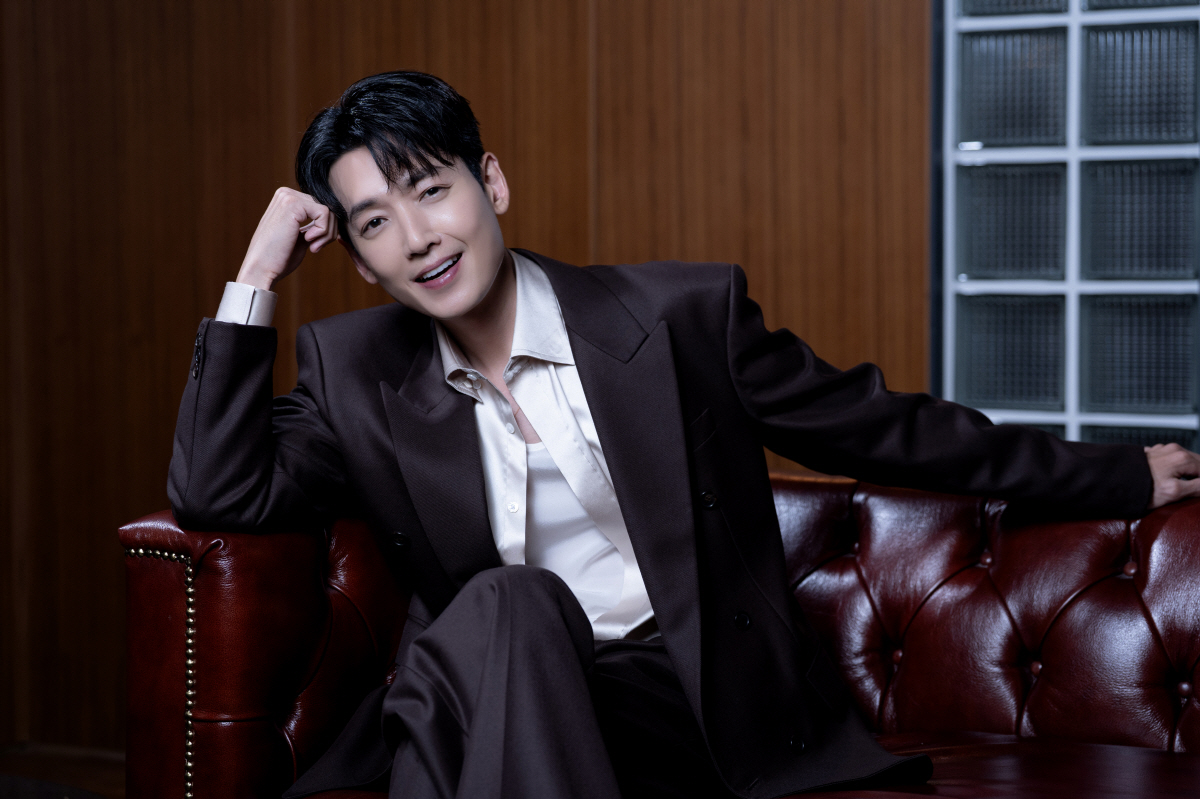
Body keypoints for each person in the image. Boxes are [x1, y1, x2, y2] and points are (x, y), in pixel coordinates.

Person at [168, 70, 1200, 799]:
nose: (419, 237)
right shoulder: (356, 370)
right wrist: (255, 278)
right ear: (358, 260)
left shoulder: (677, 320)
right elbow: (218, 489)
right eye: (375, 222)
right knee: (510, 606)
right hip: (494, 684)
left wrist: (1109, 475)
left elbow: (881, 428)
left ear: (492, 182)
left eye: (432, 190)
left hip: (680, 696)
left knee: (490, 648)